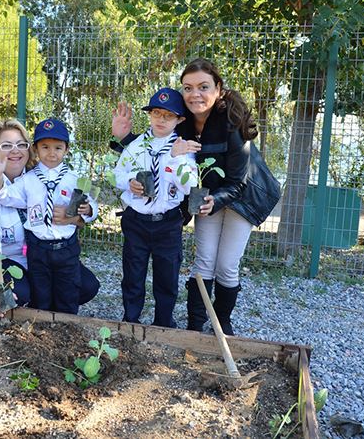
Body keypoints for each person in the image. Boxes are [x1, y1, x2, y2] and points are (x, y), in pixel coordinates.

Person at [112, 58, 263, 336]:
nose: (195, 94)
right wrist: (121, 140)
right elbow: (152, 145)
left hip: (242, 196)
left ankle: (222, 324)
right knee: (204, 260)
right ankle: (195, 325)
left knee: (227, 265)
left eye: (204, 87)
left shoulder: (231, 120)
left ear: (218, 88)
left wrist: (212, 199)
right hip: (202, 196)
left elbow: (236, 181)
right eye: (188, 87)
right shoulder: (182, 121)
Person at [0, 118, 99, 317]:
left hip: (38, 255)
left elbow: (82, 211)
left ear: (29, 149)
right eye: (6, 145)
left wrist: (73, 218)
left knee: (85, 285)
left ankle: (55, 314)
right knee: (18, 294)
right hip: (4, 258)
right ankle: (14, 304)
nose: (15, 150)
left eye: (21, 144)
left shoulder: (42, 178)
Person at [113, 88, 198, 328]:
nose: (161, 120)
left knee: (167, 274)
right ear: (149, 115)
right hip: (136, 220)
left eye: (168, 116)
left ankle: (163, 321)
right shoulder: (137, 144)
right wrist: (129, 182)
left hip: (168, 222)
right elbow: (117, 174)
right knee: (133, 272)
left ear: (179, 119)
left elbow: (189, 186)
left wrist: (175, 158)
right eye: (156, 113)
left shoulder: (183, 148)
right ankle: (131, 319)